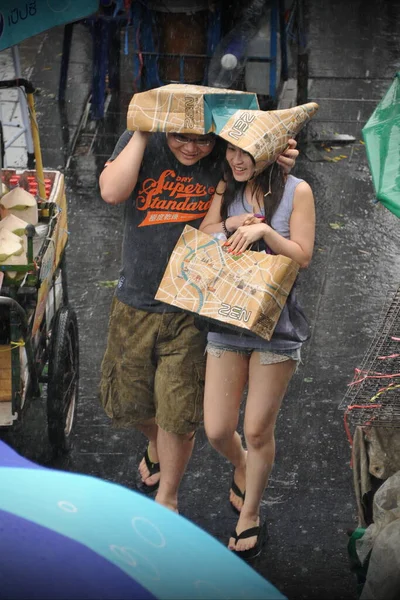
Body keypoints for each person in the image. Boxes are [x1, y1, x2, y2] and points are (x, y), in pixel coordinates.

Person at [99, 127, 299, 513]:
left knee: (178, 412)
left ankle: (168, 498)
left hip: (193, 303)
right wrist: (142, 129)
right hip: (135, 299)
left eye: (202, 141)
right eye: (179, 138)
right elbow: (110, 191)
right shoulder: (142, 139)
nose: (191, 148)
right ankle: (157, 442)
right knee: (126, 403)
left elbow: (261, 161)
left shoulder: (224, 154)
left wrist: (282, 155)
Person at [199, 140, 315, 558]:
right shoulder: (225, 187)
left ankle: (250, 514)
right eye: (231, 150)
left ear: (268, 150)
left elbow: (302, 255)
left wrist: (265, 231)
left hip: (276, 327)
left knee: (256, 430)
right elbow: (204, 233)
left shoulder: (296, 191)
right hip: (227, 318)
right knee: (216, 429)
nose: (236, 159)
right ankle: (243, 465)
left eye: (246, 152)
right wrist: (231, 226)